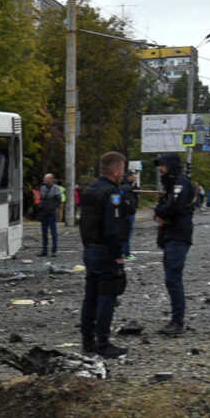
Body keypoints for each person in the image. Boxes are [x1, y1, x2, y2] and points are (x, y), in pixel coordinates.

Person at [77, 150, 135, 358]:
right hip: (106, 251)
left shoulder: (90, 190)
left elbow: (83, 222)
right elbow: (113, 227)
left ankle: (87, 340)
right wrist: (118, 254)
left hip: (91, 248)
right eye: (122, 168)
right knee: (107, 296)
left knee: (90, 296)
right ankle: (103, 342)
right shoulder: (112, 194)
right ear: (117, 170)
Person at [152, 158, 200, 335]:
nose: (160, 170)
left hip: (178, 235)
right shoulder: (171, 185)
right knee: (170, 278)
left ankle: (177, 321)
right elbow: (165, 204)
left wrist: (161, 212)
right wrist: (160, 211)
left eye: (162, 166)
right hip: (171, 234)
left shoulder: (181, 183)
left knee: (173, 277)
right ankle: (176, 319)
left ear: (171, 166)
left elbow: (175, 207)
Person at [33, 172, 62, 256]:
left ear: (51, 179)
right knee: (44, 233)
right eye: (44, 178)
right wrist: (39, 206)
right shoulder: (42, 188)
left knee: (53, 232)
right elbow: (40, 199)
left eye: (46, 178)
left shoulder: (56, 188)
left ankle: (54, 251)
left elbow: (58, 200)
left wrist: (52, 208)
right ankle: (44, 250)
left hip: (51, 213)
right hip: (44, 213)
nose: (44, 180)